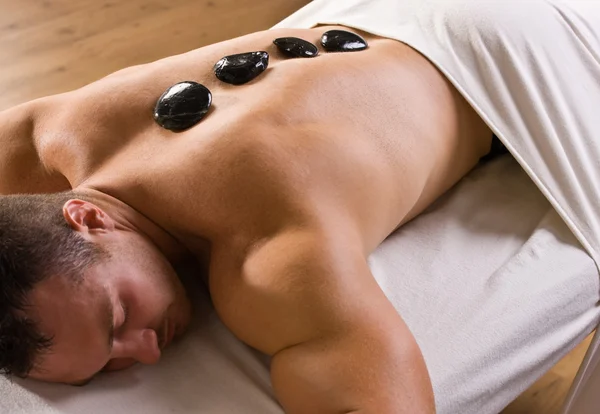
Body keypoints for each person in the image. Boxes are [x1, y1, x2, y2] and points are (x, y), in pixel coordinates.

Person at [0, 15, 498, 413]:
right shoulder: (39, 135)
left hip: (512, 61)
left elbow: (386, 399)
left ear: (88, 218)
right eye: (110, 365)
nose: (147, 351)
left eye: (121, 317)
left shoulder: (266, 257)